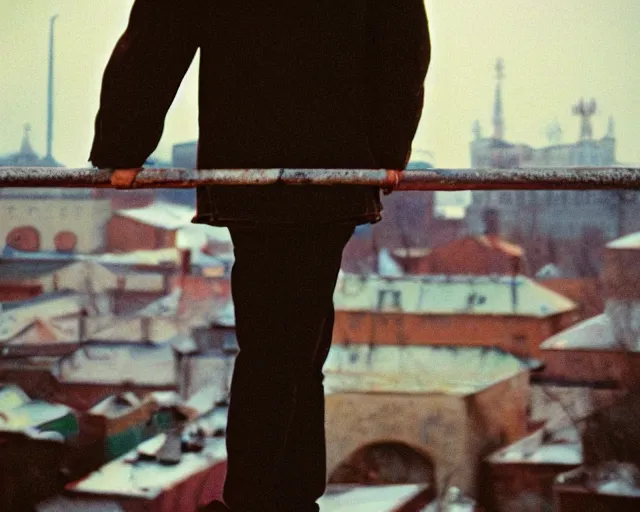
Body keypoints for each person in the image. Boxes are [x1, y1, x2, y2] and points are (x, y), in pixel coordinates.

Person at [90, 1, 430, 510]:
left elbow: (158, 36)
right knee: (293, 345)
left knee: (280, 345)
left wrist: (122, 144)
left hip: (249, 163)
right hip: (334, 168)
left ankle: (263, 498)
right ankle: (280, 496)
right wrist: (385, 151)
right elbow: (403, 47)